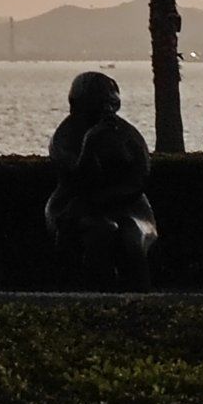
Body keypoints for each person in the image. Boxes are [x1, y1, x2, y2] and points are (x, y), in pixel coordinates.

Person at [43, 71, 156, 290]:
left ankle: (140, 300)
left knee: (132, 237)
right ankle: (93, 295)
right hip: (73, 204)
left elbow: (138, 179)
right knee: (99, 232)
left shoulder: (127, 134)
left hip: (129, 206)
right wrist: (90, 144)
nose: (107, 111)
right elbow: (76, 180)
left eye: (111, 104)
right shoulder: (64, 137)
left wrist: (110, 199)